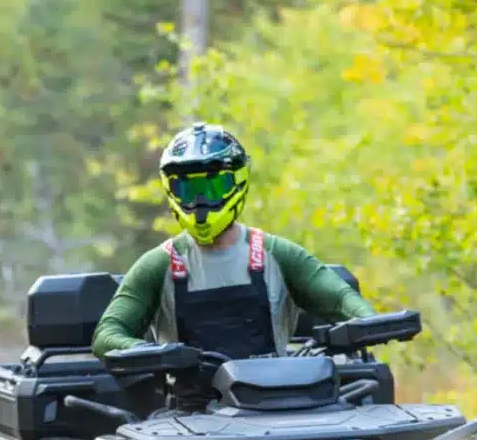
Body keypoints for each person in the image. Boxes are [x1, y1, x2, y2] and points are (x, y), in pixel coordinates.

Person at [91, 122, 375, 362]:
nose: (200, 201)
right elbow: (107, 334)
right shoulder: (158, 265)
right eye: (188, 189)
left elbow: (340, 298)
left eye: (213, 187)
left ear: (238, 183)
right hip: (187, 416)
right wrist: (153, 352)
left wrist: (370, 321)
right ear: (171, 191)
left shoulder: (276, 254)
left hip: (279, 406)